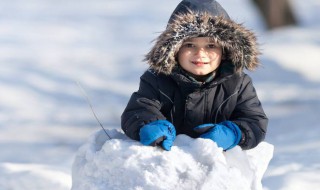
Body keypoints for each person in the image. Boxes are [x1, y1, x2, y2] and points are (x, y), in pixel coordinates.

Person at [121, 0, 268, 151]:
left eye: (211, 46)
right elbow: (139, 110)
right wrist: (150, 124)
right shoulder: (157, 79)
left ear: (225, 51)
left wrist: (233, 133)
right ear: (174, 50)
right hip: (166, 159)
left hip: (219, 164)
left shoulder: (238, 84)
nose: (200, 54)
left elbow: (254, 120)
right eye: (190, 45)